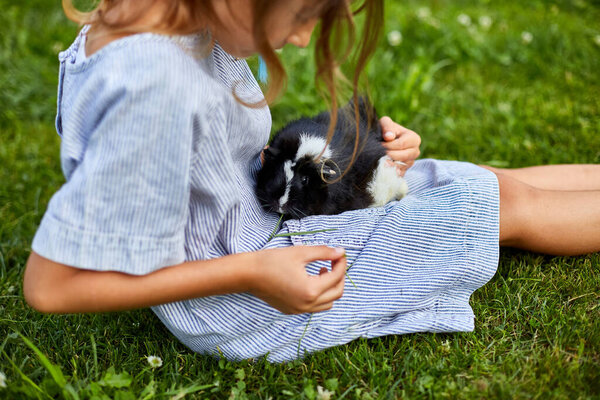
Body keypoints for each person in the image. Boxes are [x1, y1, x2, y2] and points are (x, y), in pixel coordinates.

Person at [23, 0, 600, 363]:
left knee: (461, 179)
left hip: (261, 232)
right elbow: (52, 286)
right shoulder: (154, 88)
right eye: (301, 17)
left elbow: (215, 161)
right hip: (244, 297)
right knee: (493, 202)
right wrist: (253, 271)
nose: (301, 40)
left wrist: (367, 150)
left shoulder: (169, 19)